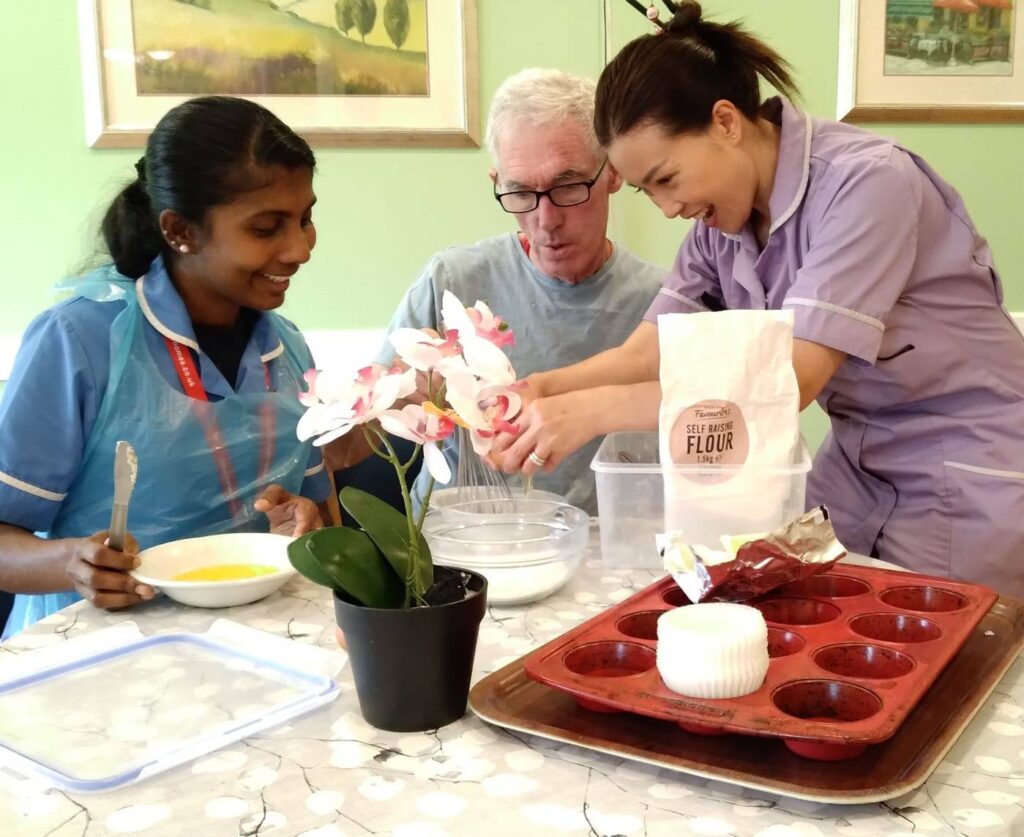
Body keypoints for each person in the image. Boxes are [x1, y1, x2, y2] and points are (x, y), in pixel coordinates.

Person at [491, 2, 1024, 596]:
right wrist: (544, 388)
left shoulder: (870, 184)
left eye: (667, 179)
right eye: (648, 192)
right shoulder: (721, 226)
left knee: (932, 661)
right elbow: (649, 352)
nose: (669, 208)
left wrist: (592, 415)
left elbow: (790, 383)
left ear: (725, 123)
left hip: (967, 462)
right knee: (791, 612)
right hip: (858, 461)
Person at [0, 96, 333, 637]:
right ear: (180, 230)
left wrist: (305, 523)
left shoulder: (288, 350)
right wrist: (70, 564)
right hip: (94, 654)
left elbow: (325, 516)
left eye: (306, 218)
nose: (301, 248)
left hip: (252, 646)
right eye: (267, 228)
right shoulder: (81, 340)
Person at [375, 68, 664, 514]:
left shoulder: (664, 301)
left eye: (568, 187)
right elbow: (374, 418)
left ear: (613, 173)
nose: (545, 220)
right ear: (498, 181)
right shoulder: (452, 282)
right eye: (520, 191)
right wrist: (409, 394)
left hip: (607, 550)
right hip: (462, 547)